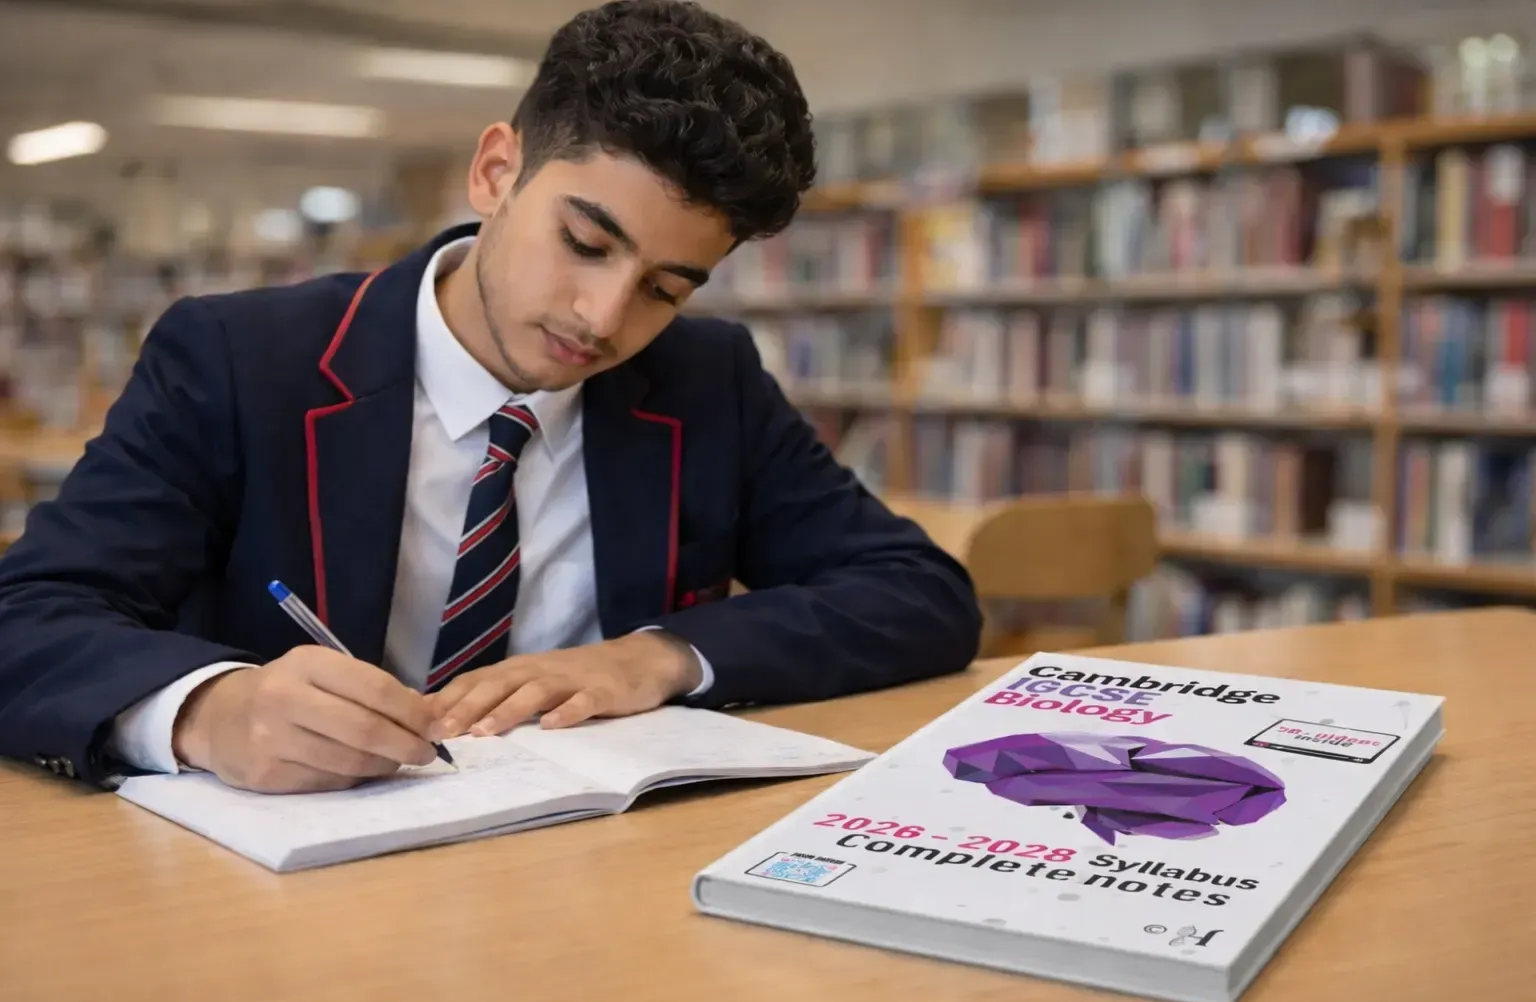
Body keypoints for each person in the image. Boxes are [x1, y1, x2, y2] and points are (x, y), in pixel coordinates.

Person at [0, 0, 981, 795]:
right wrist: (206, 712)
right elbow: (30, 616)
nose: (603, 317)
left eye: (666, 287)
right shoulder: (237, 357)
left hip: (594, 877)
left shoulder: (706, 377)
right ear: (496, 170)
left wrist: (655, 658)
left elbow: (920, 595)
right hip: (288, 887)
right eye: (586, 244)